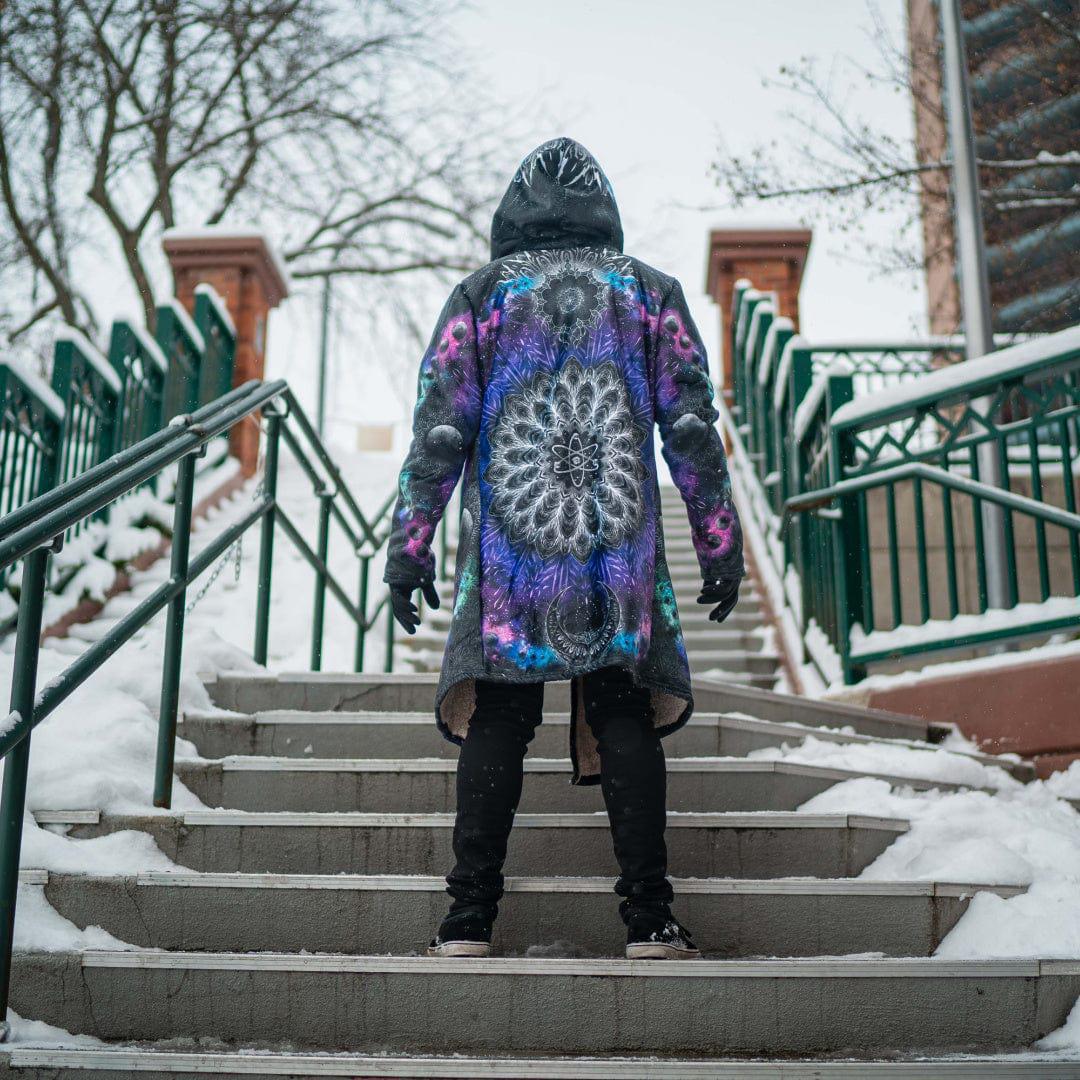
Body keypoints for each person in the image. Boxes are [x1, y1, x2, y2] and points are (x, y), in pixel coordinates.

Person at [384, 137, 744, 960]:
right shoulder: (648, 292)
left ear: (509, 219)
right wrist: (717, 542)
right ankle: (649, 918)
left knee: (501, 714)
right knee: (623, 711)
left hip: (514, 550)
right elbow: (690, 428)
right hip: (617, 546)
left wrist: (410, 548)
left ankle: (467, 917)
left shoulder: (481, 295)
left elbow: (440, 431)